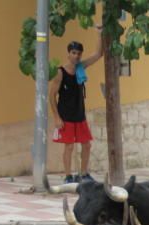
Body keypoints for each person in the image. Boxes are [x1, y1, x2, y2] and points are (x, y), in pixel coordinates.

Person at [50, 27, 104, 184]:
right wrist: (56, 117)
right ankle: (68, 176)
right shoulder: (60, 72)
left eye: (79, 53)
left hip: (80, 114)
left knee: (86, 145)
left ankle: (84, 174)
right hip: (65, 116)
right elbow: (52, 96)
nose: (76, 56)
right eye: (73, 52)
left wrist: (99, 34)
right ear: (68, 54)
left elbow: (98, 54)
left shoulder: (81, 67)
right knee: (69, 147)